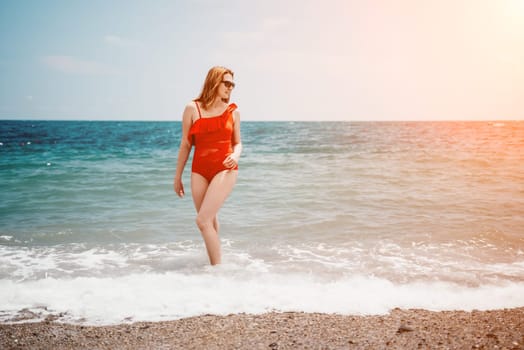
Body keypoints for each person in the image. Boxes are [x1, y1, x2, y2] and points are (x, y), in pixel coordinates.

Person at [173, 66, 242, 265]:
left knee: (202, 221)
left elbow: (238, 143)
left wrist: (235, 156)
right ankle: (215, 258)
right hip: (199, 171)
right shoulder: (192, 109)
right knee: (209, 220)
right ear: (214, 81)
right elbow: (185, 145)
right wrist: (177, 177)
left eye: (232, 85)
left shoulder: (233, 111)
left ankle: (218, 270)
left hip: (225, 168)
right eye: (227, 83)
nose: (230, 88)